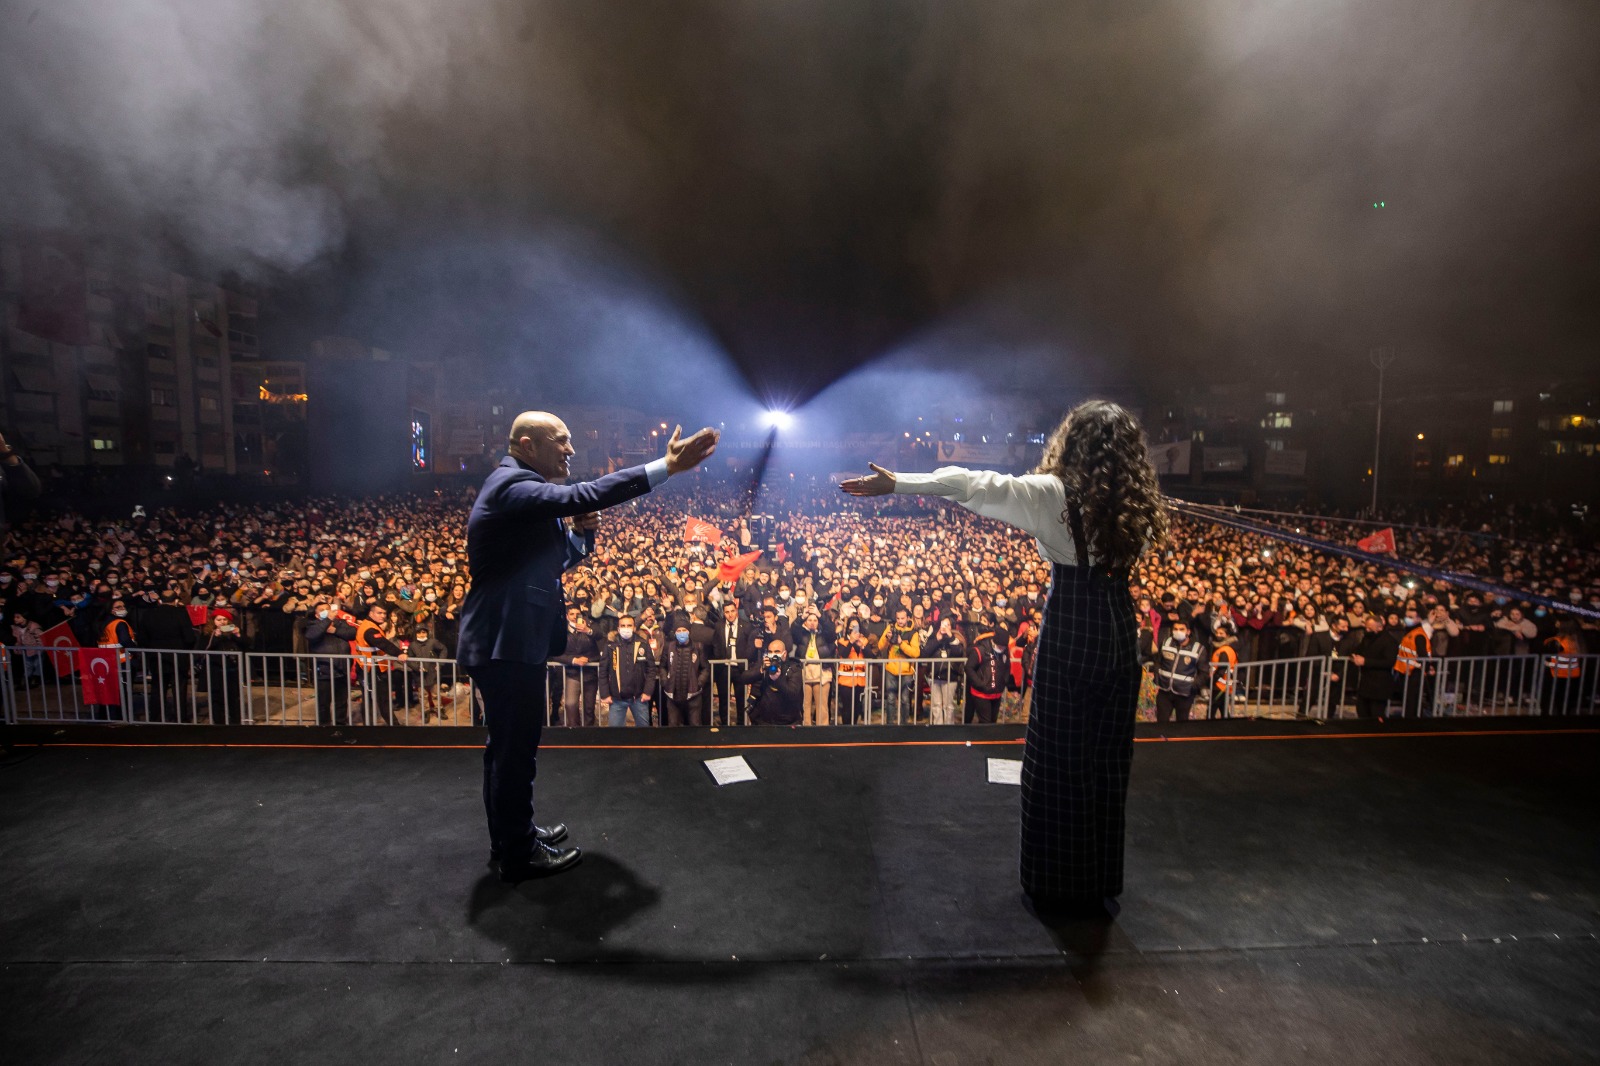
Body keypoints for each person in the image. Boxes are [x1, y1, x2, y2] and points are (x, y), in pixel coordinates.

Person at [845, 399, 1169, 921]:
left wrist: (901, 483)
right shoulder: (1136, 506)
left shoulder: (1053, 496)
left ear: (1073, 444)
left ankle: (1057, 882)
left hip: (1071, 625)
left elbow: (974, 485)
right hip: (1119, 628)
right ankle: (1101, 878)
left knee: (1056, 759)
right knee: (1108, 759)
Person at [457, 412, 717, 883]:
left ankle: (513, 835)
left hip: (514, 641)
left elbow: (555, 560)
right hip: (505, 643)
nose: (571, 451)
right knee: (513, 752)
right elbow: (582, 494)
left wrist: (583, 533)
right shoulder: (510, 485)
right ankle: (517, 852)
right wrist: (664, 468)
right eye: (563, 441)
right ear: (528, 445)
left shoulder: (520, 495)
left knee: (510, 750)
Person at [598, 614, 655, 728]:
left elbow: (651, 670)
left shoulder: (643, 644)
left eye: (629, 625)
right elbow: (603, 671)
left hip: (639, 698)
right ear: (618, 629)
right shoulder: (610, 646)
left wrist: (647, 691)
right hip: (617, 699)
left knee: (644, 734)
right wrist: (605, 694)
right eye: (623, 625)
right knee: (616, 736)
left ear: (634, 628)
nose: (626, 628)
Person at [1149, 616, 1204, 723]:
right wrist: (1157, 676)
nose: (1178, 632)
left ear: (1188, 632)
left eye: (1181, 629)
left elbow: (1204, 672)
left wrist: (1193, 687)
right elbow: (1158, 662)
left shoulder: (1198, 649)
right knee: (1161, 722)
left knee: (1181, 725)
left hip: (1184, 693)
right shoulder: (1166, 642)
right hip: (1165, 691)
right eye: (1175, 629)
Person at [712, 600, 756, 725]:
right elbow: (715, 644)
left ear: (736, 610)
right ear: (723, 613)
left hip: (740, 668)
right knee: (723, 698)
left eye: (732, 611)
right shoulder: (718, 625)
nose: (730, 614)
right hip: (724, 668)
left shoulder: (746, 626)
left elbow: (750, 646)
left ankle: (741, 724)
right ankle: (725, 724)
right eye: (727, 612)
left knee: (741, 699)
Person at [1348, 614, 1400, 721]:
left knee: (1376, 714)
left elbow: (1389, 662)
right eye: (1366, 627)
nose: (1367, 630)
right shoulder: (1367, 638)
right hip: (1365, 683)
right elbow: (1358, 649)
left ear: (1379, 627)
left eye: (1370, 628)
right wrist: (1354, 655)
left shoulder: (1389, 641)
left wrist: (1365, 661)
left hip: (1379, 685)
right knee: (1362, 711)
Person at [657, 621, 709, 726]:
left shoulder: (698, 647)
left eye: (684, 630)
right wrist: (664, 681)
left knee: (695, 725)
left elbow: (705, 668)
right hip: (673, 695)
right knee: (673, 725)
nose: (681, 633)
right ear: (675, 633)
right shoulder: (669, 647)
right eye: (679, 631)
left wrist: (698, 683)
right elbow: (662, 666)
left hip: (693, 695)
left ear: (689, 632)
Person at [742, 638, 804, 725]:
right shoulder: (764, 665)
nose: (773, 655)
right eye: (770, 652)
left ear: (784, 654)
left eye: (777, 651)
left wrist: (777, 680)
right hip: (763, 720)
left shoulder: (794, 668)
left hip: (787, 721)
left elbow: (792, 693)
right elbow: (744, 678)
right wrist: (760, 670)